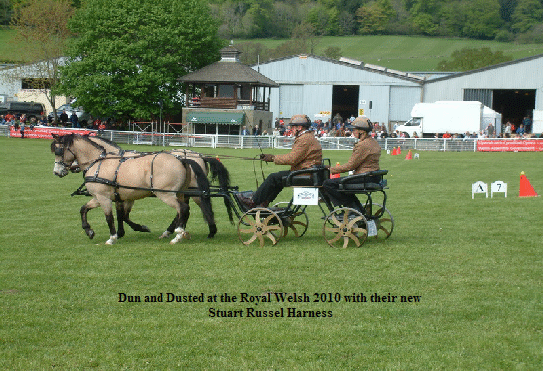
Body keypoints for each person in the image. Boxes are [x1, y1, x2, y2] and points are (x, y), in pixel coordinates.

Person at [237, 114, 322, 209]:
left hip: (305, 173)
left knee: (273, 177)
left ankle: (253, 201)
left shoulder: (304, 139)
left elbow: (292, 159)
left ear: (299, 127)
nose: (291, 129)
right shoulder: (308, 136)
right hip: (308, 171)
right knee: (278, 179)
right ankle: (264, 202)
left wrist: (273, 158)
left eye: (292, 127)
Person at [322, 116, 381, 212]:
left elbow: (351, 166)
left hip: (364, 176)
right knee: (344, 185)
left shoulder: (363, 145)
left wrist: (331, 169)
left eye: (354, 130)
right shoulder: (374, 142)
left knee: (328, 184)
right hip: (373, 175)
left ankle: (351, 209)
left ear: (362, 131)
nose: (353, 132)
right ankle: (358, 209)